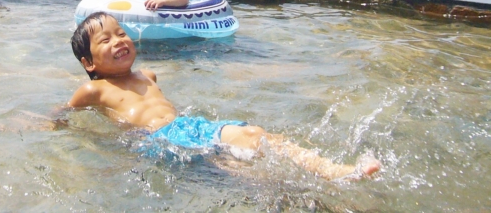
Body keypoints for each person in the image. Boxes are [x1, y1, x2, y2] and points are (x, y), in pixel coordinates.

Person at [68, 11, 381, 181]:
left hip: (183, 130)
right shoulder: (95, 89)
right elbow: (67, 111)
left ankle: (321, 184)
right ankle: (335, 174)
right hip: (159, 138)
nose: (118, 41)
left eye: (121, 33)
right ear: (89, 63)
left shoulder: (147, 74)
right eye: (105, 39)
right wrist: (49, 123)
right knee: (254, 141)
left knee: (249, 161)